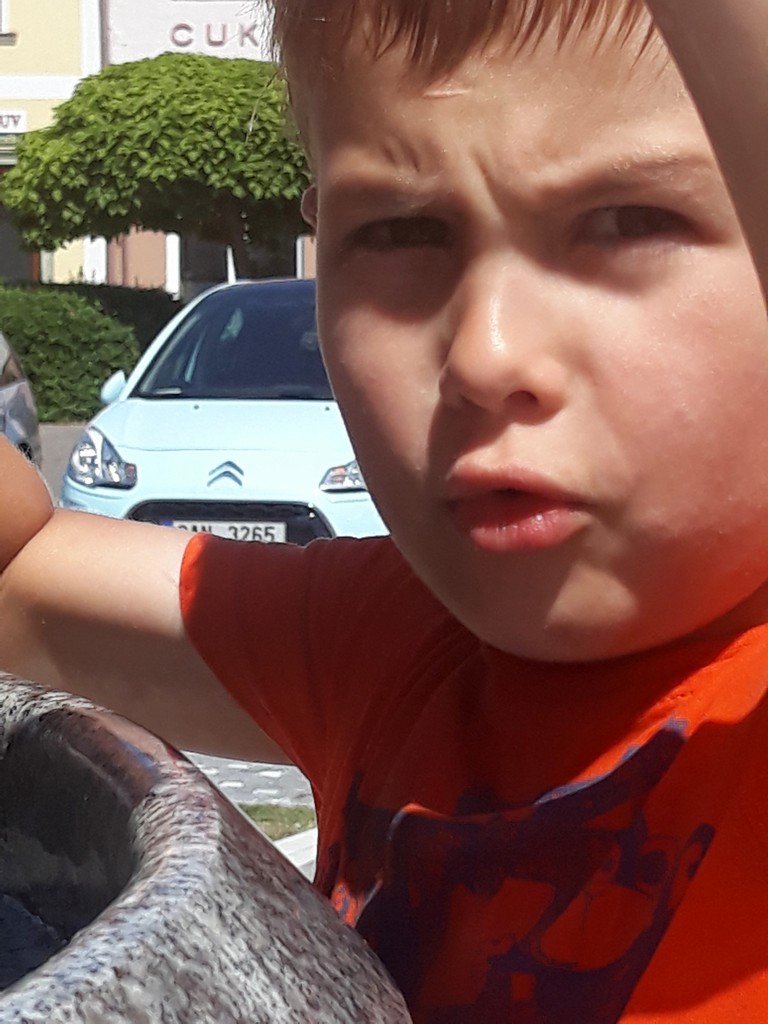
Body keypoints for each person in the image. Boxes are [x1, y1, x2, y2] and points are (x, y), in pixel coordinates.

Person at [2, 0, 768, 1018]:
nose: (486, 354)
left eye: (634, 221)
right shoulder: (387, 642)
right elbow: (19, 573)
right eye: (400, 231)